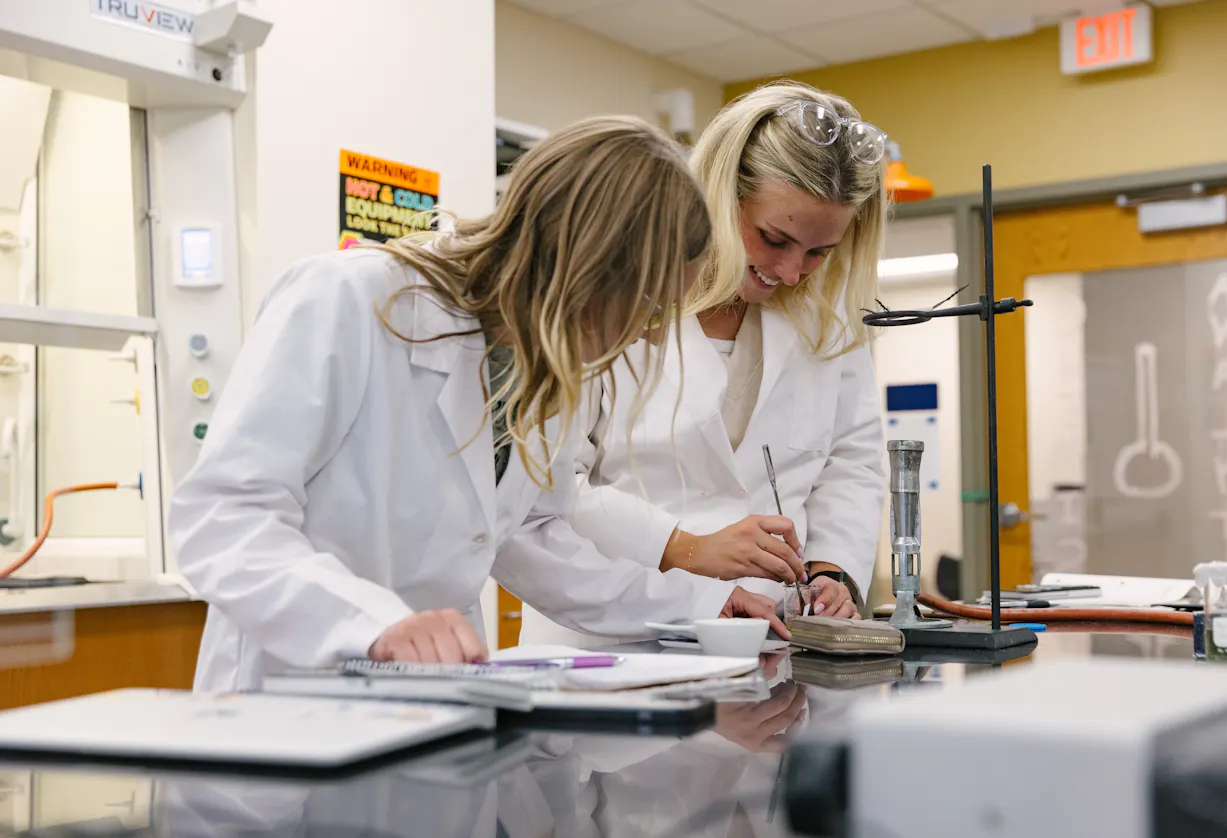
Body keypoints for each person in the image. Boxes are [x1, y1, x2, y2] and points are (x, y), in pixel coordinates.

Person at [169, 116, 787, 692]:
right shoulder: (346, 300)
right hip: (288, 698)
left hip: (433, 702)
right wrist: (372, 624)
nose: (652, 335)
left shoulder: (544, 359)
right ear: (585, 263)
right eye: (650, 306)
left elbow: (529, 536)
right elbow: (223, 516)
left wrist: (697, 604)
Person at [521, 82, 887, 647]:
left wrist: (833, 568)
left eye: (819, 252)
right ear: (719, 196)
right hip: (617, 641)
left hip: (768, 641)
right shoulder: (615, 299)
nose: (792, 272)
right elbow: (548, 491)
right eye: (773, 238)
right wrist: (685, 546)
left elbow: (851, 462)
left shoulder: (828, 321)